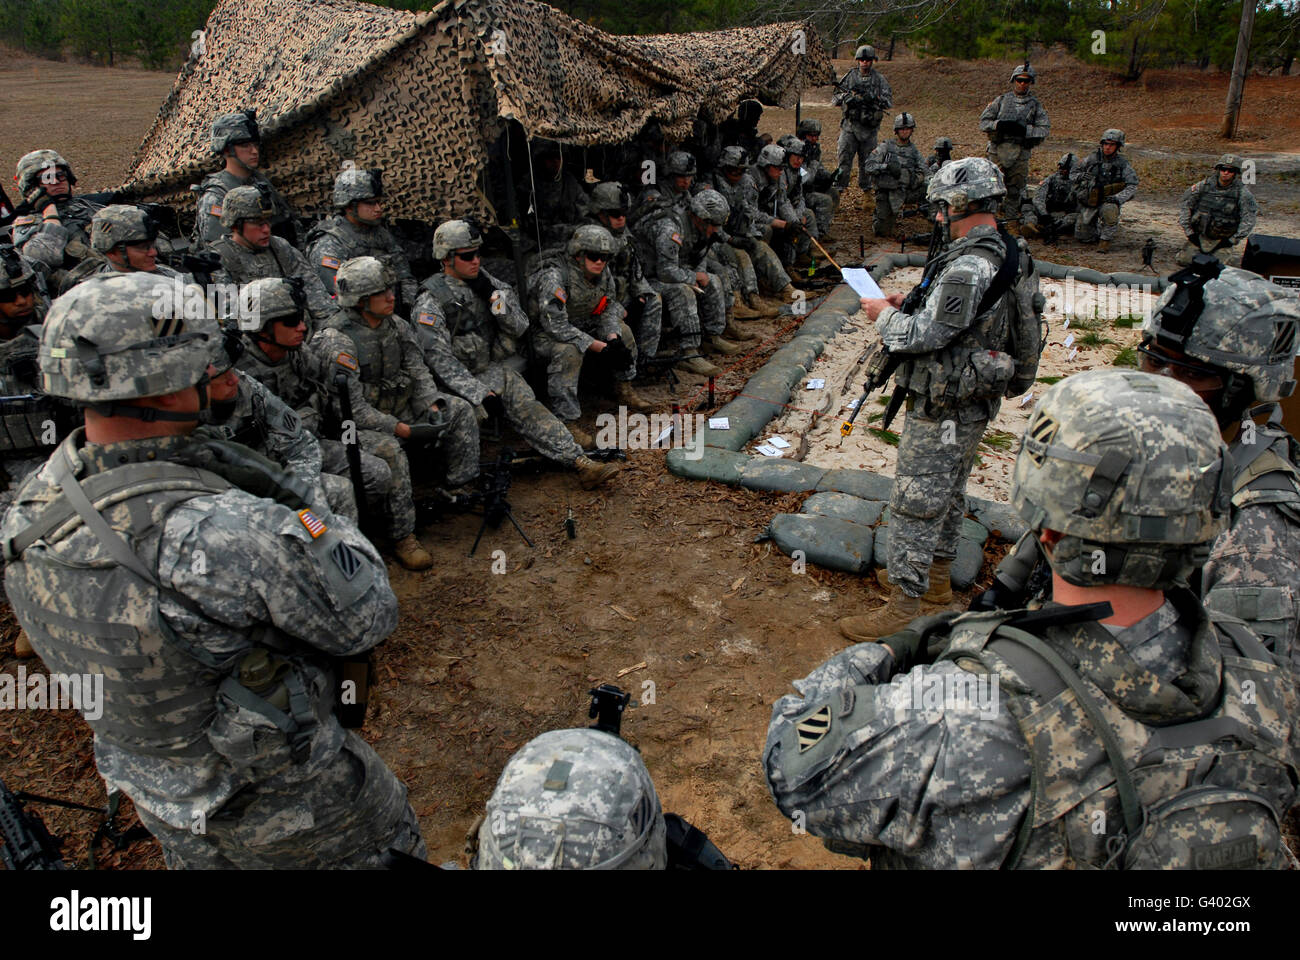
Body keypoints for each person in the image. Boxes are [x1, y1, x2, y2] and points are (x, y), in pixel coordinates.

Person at [766, 369, 1300, 870]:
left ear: (1047, 532)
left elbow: (791, 765)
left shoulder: (959, 712)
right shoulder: (1263, 675)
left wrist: (890, 649)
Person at [2, 271, 426, 868]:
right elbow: (369, 615)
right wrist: (305, 512)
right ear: (170, 380)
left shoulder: (27, 514)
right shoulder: (226, 532)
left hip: (166, 806)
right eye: (203, 362)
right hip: (294, 811)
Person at [838, 158, 1040, 642]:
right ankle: (936, 579)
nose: (936, 218)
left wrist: (882, 316)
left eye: (940, 208)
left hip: (945, 398)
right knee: (948, 490)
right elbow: (982, 317)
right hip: (974, 396)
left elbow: (925, 336)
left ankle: (904, 602)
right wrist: (912, 298)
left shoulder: (968, 264)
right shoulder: (1008, 251)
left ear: (959, 204)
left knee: (914, 497)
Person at [1137, 258, 1300, 672]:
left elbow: (1251, 703)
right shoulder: (1147, 441)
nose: (1163, 386)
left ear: (1240, 390)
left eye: (1190, 373)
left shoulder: (1257, 529)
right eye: (1155, 360)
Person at [412, 220, 620, 488]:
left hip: (487, 369)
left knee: (528, 405)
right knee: (467, 414)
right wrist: (478, 392)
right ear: (446, 258)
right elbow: (438, 360)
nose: (476, 261)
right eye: (467, 256)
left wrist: (494, 300)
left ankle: (579, 462)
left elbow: (520, 325)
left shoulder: (485, 282)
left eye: (478, 254)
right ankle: (461, 486)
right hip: (449, 385)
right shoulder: (430, 301)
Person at [315, 257, 481, 569]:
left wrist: (431, 403)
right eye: (383, 293)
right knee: (390, 450)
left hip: (400, 408)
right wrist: (400, 428)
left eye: (390, 290)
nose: (392, 297)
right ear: (362, 301)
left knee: (457, 409)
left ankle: (459, 486)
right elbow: (352, 411)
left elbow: (418, 373)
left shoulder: (398, 326)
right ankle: (402, 534)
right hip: (355, 427)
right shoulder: (337, 341)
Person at [235, 276, 401, 539]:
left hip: (311, 443)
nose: (302, 327)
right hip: (271, 465)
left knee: (377, 474)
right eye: (291, 321)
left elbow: (325, 382)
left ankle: (362, 533)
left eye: (301, 317)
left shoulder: (295, 352)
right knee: (340, 490)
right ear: (261, 328)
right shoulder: (237, 373)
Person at [198, 326, 357, 522]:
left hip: (272, 480)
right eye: (220, 377)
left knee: (339, 492)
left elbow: (300, 443)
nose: (233, 379)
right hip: (227, 506)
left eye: (231, 370)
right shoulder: (183, 423)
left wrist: (300, 495)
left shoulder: (247, 388)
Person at [527, 225, 651, 448]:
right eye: (594, 256)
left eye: (605, 258)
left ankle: (624, 388)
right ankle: (568, 420)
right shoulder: (554, 277)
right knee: (569, 351)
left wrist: (612, 338)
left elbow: (608, 307)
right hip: (546, 334)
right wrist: (598, 347)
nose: (600, 262)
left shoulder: (603, 275)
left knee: (624, 332)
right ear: (578, 255)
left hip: (582, 326)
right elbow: (555, 326)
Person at [634, 191, 743, 374]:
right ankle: (689, 352)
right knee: (682, 292)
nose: (716, 229)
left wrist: (699, 273)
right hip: (647, 277)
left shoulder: (699, 227)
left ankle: (712, 337)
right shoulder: (671, 228)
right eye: (713, 224)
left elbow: (700, 251)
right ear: (699, 218)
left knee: (713, 280)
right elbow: (665, 272)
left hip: (673, 269)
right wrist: (692, 278)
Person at [209, 186, 338, 325]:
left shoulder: (280, 247)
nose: (266, 229)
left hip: (300, 330)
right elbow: (231, 318)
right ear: (236, 225)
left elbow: (316, 296)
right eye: (258, 224)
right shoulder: (218, 260)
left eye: (267, 221)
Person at [305, 167, 418, 311]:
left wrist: (409, 308)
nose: (378, 209)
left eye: (378, 202)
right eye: (370, 203)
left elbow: (403, 272)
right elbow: (337, 297)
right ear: (350, 206)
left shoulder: (379, 233)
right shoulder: (330, 244)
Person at [583, 182, 665, 370]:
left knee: (654, 300)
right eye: (615, 214)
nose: (621, 218)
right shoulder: (591, 238)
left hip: (621, 293)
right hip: (600, 304)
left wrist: (641, 295)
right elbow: (596, 288)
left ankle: (645, 358)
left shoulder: (622, 233)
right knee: (622, 329)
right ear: (600, 213)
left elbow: (634, 268)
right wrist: (621, 309)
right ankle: (626, 373)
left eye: (623, 213)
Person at [192, 110, 296, 250]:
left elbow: (286, 224)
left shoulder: (260, 182)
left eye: (255, 145)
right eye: (245, 145)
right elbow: (219, 250)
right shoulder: (216, 195)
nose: (254, 151)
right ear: (227, 150)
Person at [707, 148, 796, 307]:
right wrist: (730, 239)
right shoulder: (711, 184)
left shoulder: (745, 182)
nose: (737, 174)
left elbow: (748, 211)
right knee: (741, 255)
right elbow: (706, 222)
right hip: (715, 239)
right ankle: (748, 299)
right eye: (733, 170)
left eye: (741, 171)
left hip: (737, 232)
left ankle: (786, 289)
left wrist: (748, 235)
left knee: (760, 247)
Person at [9, 150, 103, 288]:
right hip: (81, 291)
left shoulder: (86, 204)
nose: (57, 182)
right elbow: (45, 256)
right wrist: (49, 210)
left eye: (61, 176)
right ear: (32, 187)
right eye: (47, 178)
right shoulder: (28, 221)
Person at [59, 205, 185, 293]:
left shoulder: (172, 279)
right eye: (142, 248)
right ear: (112, 252)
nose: (153, 253)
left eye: (152, 245)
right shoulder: (84, 290)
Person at [978, 65, 1050, 221]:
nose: (1022, 84)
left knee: (1015, 190)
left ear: (1031, 82)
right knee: (992, 188)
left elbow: (1044, 129)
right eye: (1019, 80)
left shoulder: (1035, 106)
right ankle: (990, 221)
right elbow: (983, 122)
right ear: (1014, 80)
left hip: (1020, 153)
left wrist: (1025, 130)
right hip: (997, 151)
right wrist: (999, 125)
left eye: (1026, 81)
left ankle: (1010, 221)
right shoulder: (1001, 101)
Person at [1177, 155, 1259, 268]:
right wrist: (1190, 233)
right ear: (1218, 170)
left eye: (1230, 170)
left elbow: (1249, 219)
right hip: (1200, 237)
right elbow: (1186, 207)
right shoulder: (1202, 186)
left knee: (1218, 267)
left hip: (1222, 241)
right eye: (1223, 169)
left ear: (1235, 173)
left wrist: (1232, 240)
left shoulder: (1243, 193)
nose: (1226, 173)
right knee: (1184, 261)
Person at [831, 45, 893, 191]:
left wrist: (874, 99)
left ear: (872, 61)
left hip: (869, 130)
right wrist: (847, 98)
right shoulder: (850, 77)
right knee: (844, 160)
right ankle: (838, 192)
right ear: (858, 60)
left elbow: (888, 101)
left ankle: (867, 193)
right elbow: (835, 98)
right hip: (850, 127)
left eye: (868, 60)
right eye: (862, 59)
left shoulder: (879, 80)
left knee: (868, 163)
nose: (865, 62)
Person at [1071, 129, 1139, 252]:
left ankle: (1105, 240)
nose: (1108, 147)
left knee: (1110, 211)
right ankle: (1097, 229)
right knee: (1083, 236)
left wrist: (1118, 198)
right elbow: (1073, 173)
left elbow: (1132, 185)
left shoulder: (1122, 164)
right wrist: (1081, 176)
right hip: (1090, 201)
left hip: (1108, 200)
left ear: (1118, 146)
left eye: (1112, 145)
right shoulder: (1091, 159)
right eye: (1106, 144)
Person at [864, 113, 927, 239]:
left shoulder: (914, 151)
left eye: (908, 128)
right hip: (887, 191)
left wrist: (915, 180)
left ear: (912, 130)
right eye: (902, 129)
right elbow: (868, 166)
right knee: (882, 232)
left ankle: (931, 219)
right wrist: (886, 167)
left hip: (905, 191)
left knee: (929, 189)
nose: (905, 131)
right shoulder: (886, 147)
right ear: (896, 131)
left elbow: (924, 170)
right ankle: (880, 215)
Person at [1020, 153, 1078, 242]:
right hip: (1046, 212)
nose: (1062, 171)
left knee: (1073, 218)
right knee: (1027, 207)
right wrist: (1044, 215)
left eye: (1066, 169)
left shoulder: (1077, 183)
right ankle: (1031, 224)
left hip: (1063, 215)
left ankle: (1048, 230)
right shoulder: (1052, 178)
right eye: (1061, 167)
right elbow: (1038, 197)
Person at [796, 118, 839, 235]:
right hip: (799, 194)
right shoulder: (797, 153)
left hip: (810, 188)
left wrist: (830, 176)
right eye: (811, 136)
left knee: (833, 192)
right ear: (803, 135)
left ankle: (824, 228)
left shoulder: (812, 150)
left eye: (817, 136)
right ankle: (818, 233)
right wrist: (814, 162)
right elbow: (806, 179)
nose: (815, 139)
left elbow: (819, 169)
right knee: (825, 200)